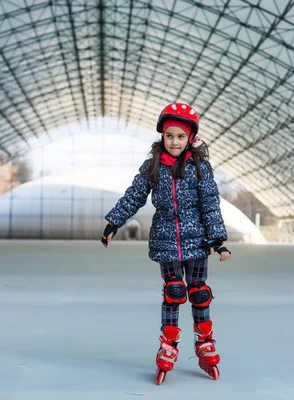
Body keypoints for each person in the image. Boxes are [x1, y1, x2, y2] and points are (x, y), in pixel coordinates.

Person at [101, 103, 231, 383]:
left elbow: (210, 205)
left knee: (199, 292)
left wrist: (218, 239)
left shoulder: (200, 167)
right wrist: (114, 222)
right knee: (174, 292)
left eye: (180, 137)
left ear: (190, 139)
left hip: (197, 240)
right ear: (162, 136)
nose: (174, 141)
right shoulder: (153, 167)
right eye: (169, 136)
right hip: (165, 240)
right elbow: (135, 195)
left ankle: (205, 341)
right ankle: (169, 344)